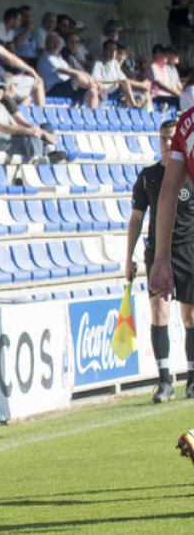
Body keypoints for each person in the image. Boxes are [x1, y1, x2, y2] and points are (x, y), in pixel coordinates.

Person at [128, 120, 194, 403]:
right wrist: (128, 256)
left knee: (189, 317)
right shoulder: (148, 176)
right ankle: (165, 381)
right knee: (159, 315)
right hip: (158, 253)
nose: (167, 144)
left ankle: (192, 380)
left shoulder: (189, 174)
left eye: (171, 139)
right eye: (163, 140)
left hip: (189, 251)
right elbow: (136, 218)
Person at [0, 79, 59, 161]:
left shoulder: (1, 106)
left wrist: (40, 131)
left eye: (1, 88)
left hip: (8, 140)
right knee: (29, 134)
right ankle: (39, 158)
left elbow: (15, 125)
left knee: (45, 126)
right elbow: (3, 128)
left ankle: (48, 151)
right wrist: (33, 131)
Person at [38, 32, 99, 107]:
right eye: (53, 42)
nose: (56, 44)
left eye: (58, 42)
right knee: (78, 78)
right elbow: (66, 71)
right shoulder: (46, 56)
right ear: (47, 43)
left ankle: (92, 116)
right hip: (51, 90)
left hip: (66, 88)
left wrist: (90, 80)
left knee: (93, 90)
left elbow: (70, 69)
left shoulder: (59, 58)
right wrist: (88, 79)